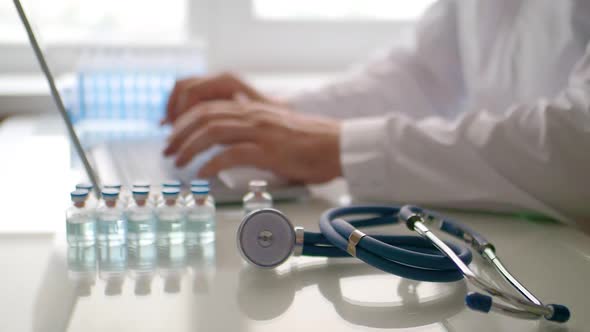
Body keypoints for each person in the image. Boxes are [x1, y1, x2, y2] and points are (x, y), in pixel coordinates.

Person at [162, 0, 590, 227]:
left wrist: (340, 147)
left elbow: (579, 143)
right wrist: (281, 116)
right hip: (524, 233)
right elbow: (424, 74)